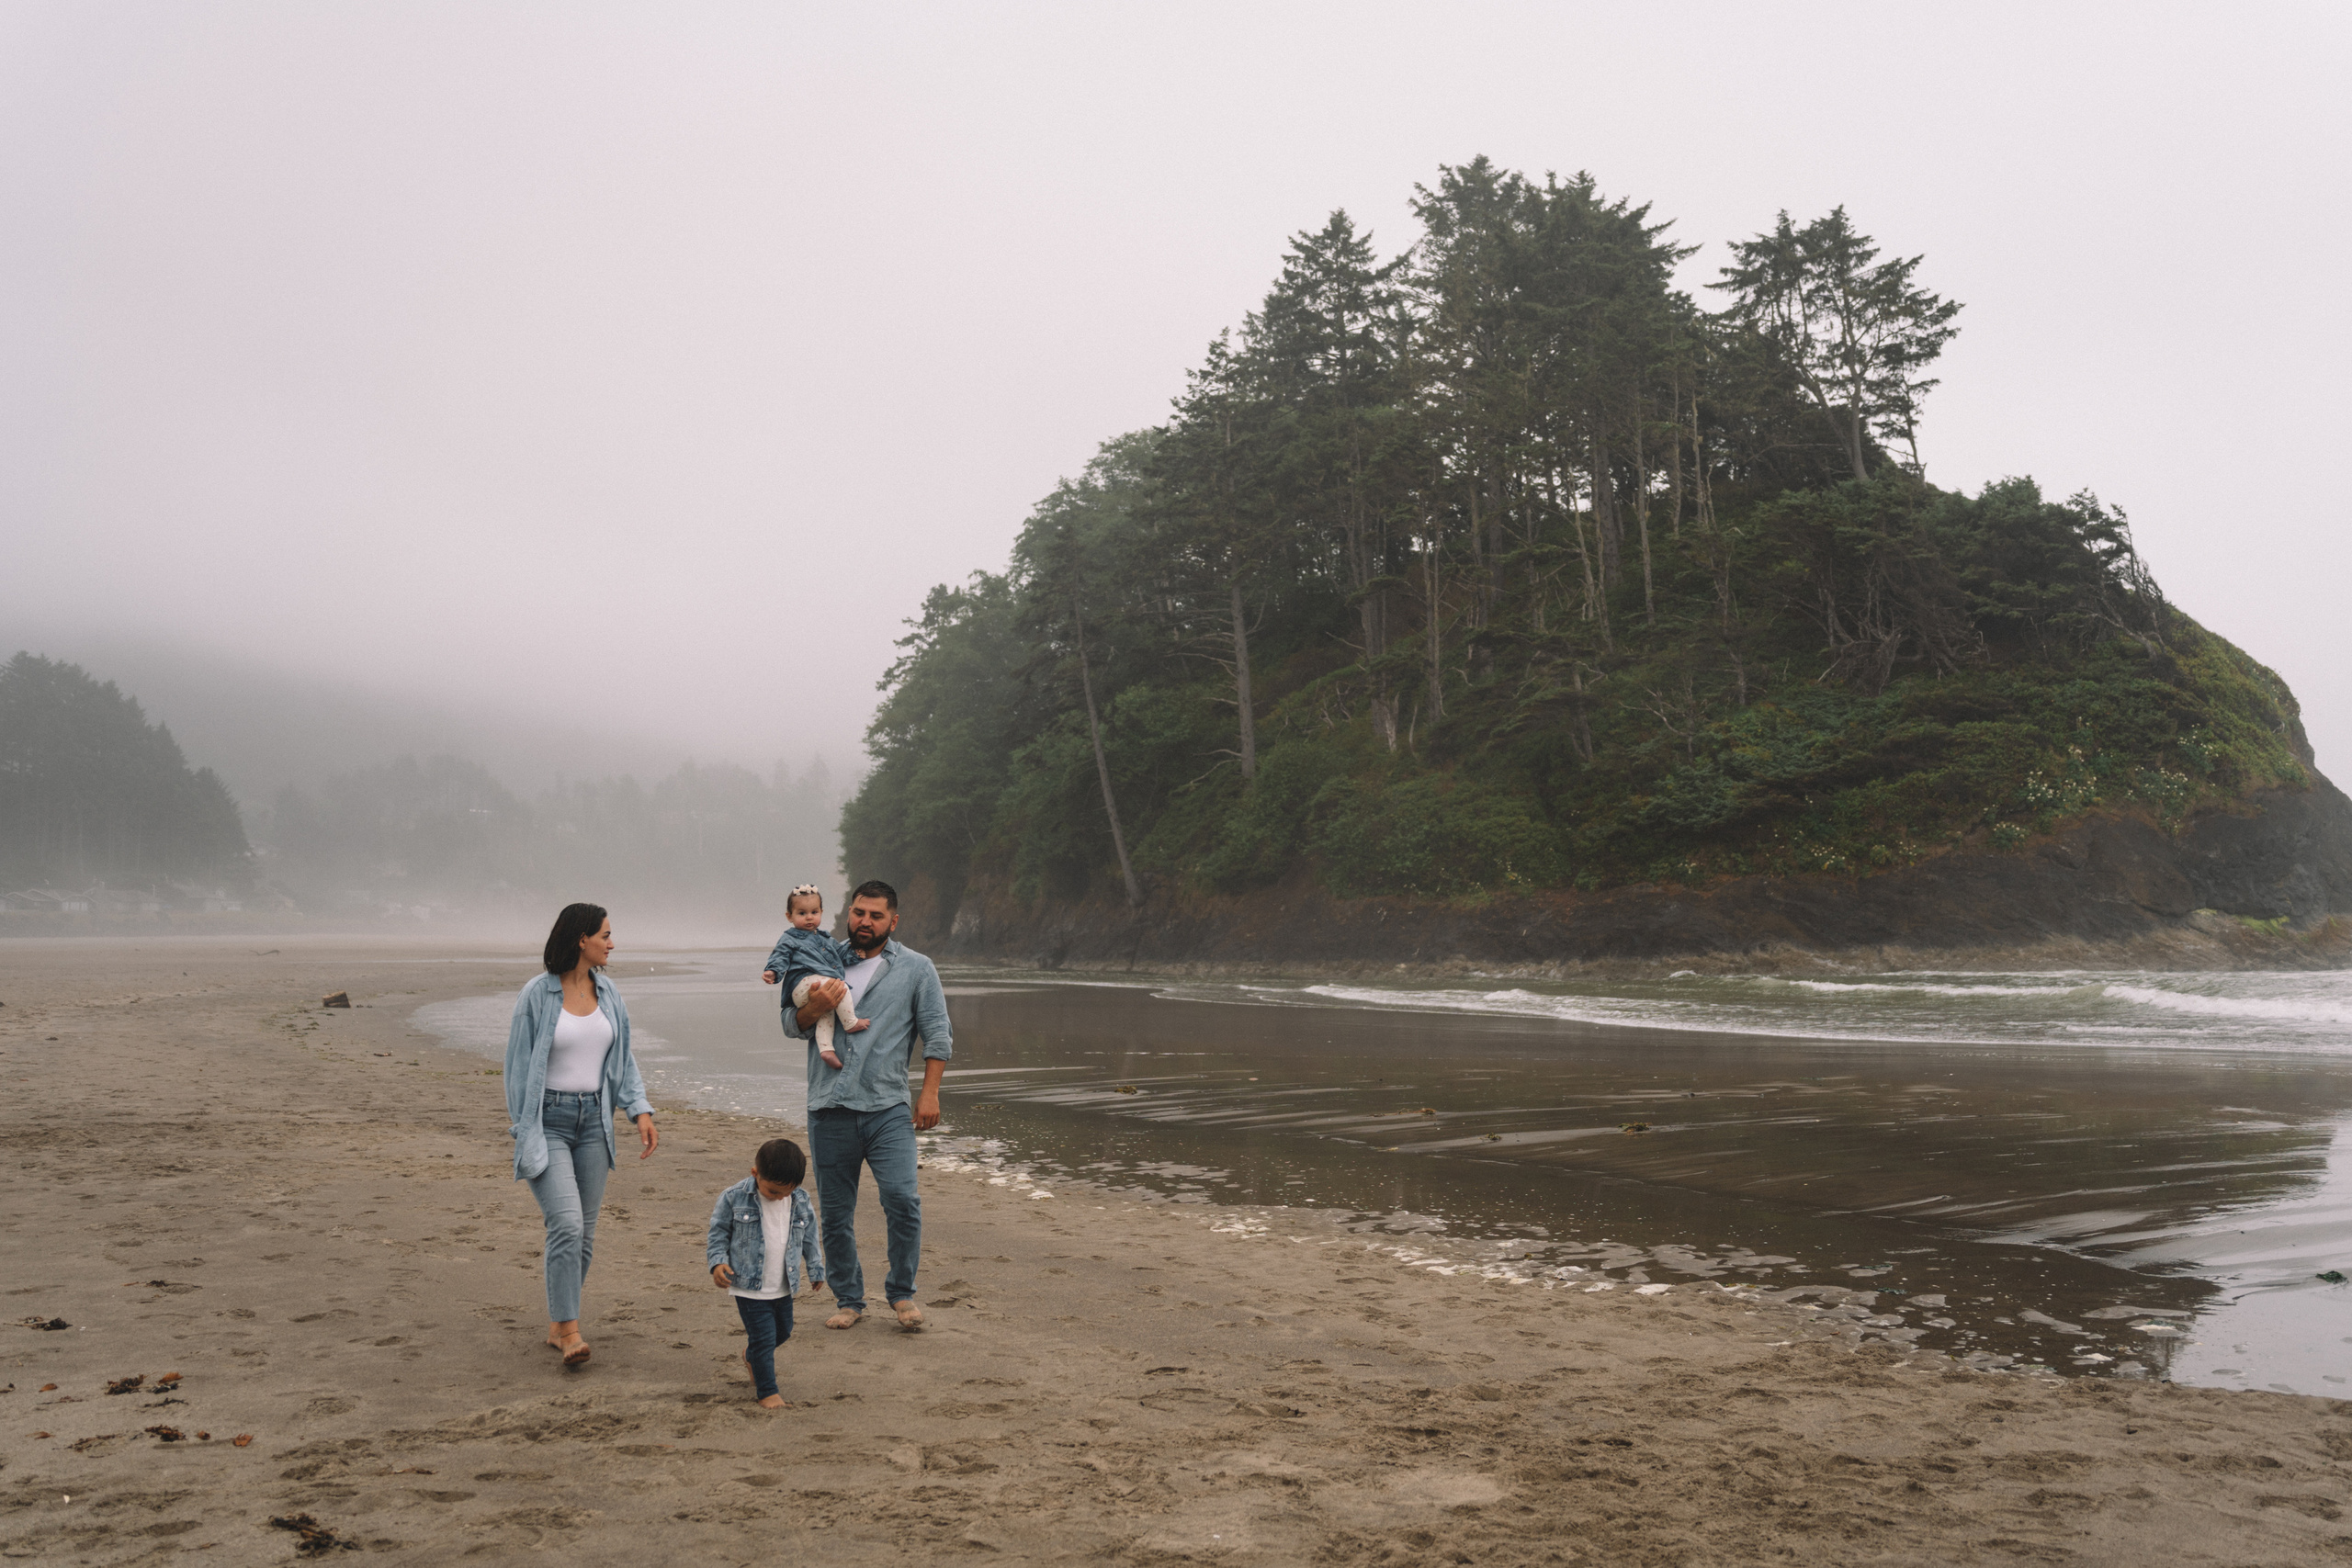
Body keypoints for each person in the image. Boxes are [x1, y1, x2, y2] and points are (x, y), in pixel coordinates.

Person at [786, 879, 950, 1332]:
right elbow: (790, 1023)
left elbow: (937, 1036)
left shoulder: (917, 969)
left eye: (876, 916)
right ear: (848, 913)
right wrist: (813, 1005)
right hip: (829, 1107)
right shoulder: (818, 957)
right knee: (837, 1214)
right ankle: (849, 1299)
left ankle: (901, 1294)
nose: (865, 921)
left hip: (888, 1108)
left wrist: (930, 1093)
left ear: (892, 922)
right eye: (859, 912)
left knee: (903, 1199)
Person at [503, 902, 658, 1367]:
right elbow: (516, 1067)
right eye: (605, 935)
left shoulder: (609, 993)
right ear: (581, 939)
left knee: (583, 1235)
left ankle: (558, 1324)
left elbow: (623, 1056)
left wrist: (639, 1109)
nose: (612, 943)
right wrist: (523, 1128)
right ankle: (569, 1332)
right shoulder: (537, 994)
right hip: (547, 1121)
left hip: (595, 1122)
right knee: (566, 1224)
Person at [706, 1137, 825, 1409]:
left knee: (783, 1331)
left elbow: (809, 1236)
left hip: (783, 1283)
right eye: (773, 1192)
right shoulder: (734, 1197)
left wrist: (815, 1267)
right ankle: (767, 1392)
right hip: (748, 1283)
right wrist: (717, 1263)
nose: (781, 1197)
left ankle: (752, 1356)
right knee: (764, 1338)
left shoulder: (799, 1200)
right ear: (755, 1174)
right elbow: (718, 1233)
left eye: (787, 1192)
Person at [760, 884, 866, 1069]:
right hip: (804, 984)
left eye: (814, 912)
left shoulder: (826, 938)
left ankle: (826, 1049)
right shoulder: (790, 938)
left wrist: (855, 955)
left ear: (821, 912)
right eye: (802, 913)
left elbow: (840, 954)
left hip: (814, 987)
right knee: (839, 986)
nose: (809, 917)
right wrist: (773, 972)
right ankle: (850, 1022)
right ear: (789, 916)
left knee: (825, 1013)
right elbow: (780, 956)